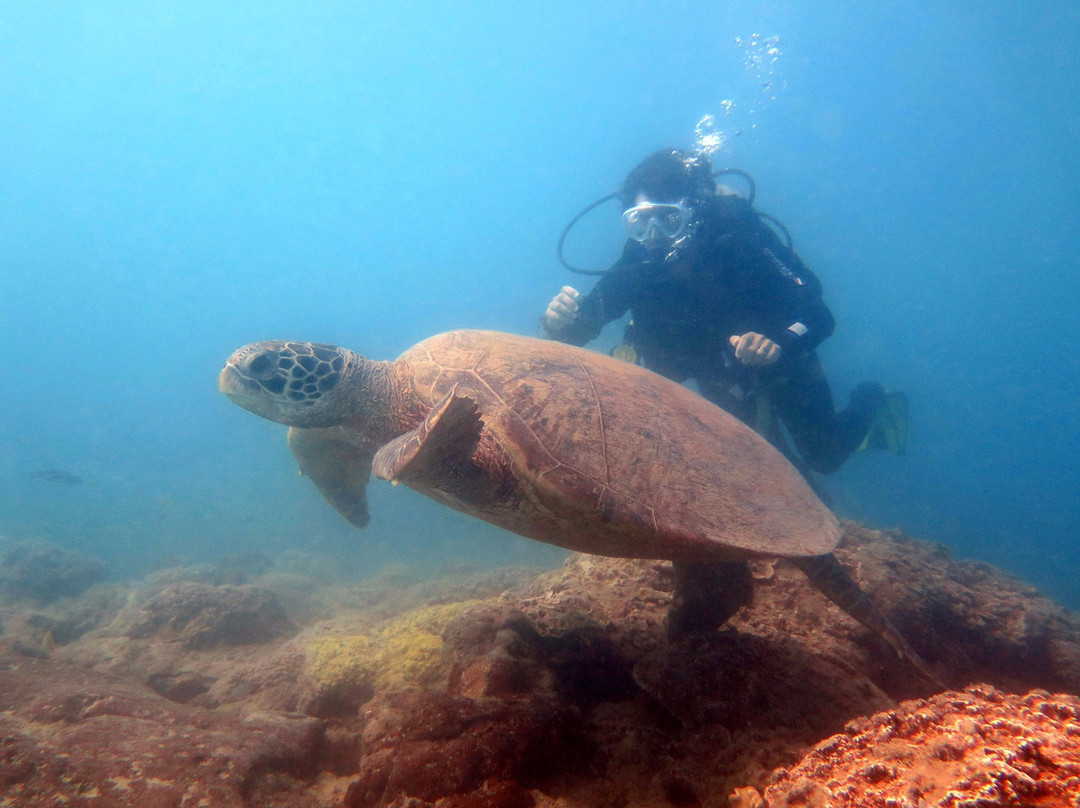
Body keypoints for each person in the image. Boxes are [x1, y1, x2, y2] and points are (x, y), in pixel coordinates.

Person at [541, 148, 906, 479]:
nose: (653, 235)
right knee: (760, 470)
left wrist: (780, 343)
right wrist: (561, 321)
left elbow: (818, 312)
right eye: (640, 221)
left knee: (824, 456)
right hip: (718, 376)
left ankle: (872, 398)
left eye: (668, 220)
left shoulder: (740, 239)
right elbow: (586, 323)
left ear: (694, 213)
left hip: (782, 366)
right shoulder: (640, 259)